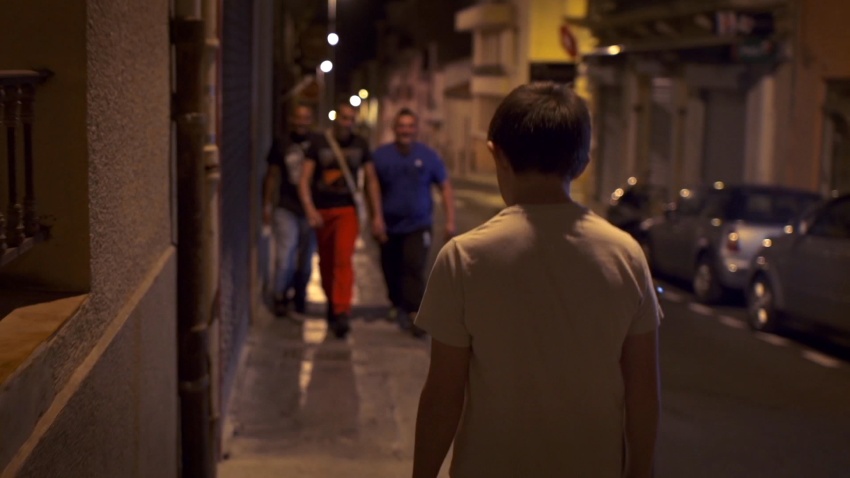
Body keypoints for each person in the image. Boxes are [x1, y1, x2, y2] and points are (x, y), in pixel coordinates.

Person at [412, 83, 661, 478]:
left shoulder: (463, 259)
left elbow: (444, 393)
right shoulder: (626, 255)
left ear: (497, 154)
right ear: (583, 162)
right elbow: (643, 392)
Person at [299, 102, 385, 339]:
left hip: (347, 210)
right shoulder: (319, 143)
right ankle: (332, 302)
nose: (346, 123)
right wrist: (310, 209)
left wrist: (377, 215)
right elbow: (305, 178)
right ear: (336, 118)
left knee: (343, 258)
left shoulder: (360, 144)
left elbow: (371, 180)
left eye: (351, 119)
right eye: (343, 118)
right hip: (323, 211)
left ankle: (342, 310)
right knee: (326, 262)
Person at [372, 108, 455, 336]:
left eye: (410, 126)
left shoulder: (428, 156)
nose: (405, 130)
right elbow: (372, 188)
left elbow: (445, 186)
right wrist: (376, 217)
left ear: (416, 129)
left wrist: (450, 220)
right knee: (390, 267)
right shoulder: (381, 156)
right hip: (390, 225)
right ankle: (396, 303)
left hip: (418, 224)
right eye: (401, 126)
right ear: (394, 128)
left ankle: (415, 312)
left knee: (413, 265)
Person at [262, 103, 316, 317]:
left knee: (306, 258)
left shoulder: (317, 143)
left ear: (311, 120)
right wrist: (267, 205)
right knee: (286, 255)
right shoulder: (281, 143)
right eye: (298, 117)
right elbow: (272, 175)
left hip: (311, 210)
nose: (301, 122)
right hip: (286, 207)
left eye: (306, 117)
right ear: (291, 119)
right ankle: (280, 295)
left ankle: (300, 295)